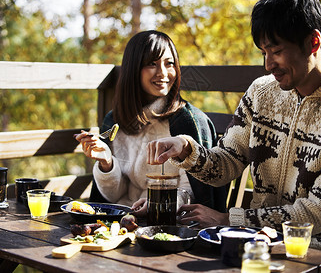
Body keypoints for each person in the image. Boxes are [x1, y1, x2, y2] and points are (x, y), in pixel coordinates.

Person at [146, 0, 321, 273]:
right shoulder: (261, 92)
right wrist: (187, 150)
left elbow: (314, 215)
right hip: (258, 245)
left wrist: (228, 219)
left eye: (277, 51)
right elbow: (224, 166)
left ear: (313, 42)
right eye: (264, 52)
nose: (269, 65)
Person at [75, 30, 228, 216]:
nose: (163, 73)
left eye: (169, 63)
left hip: (171, 221)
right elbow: (114, 197)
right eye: (152, 64)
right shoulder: (115, 121)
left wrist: (159, 201)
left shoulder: (189, 122)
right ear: (133, 68)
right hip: (123, 218)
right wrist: (106, 163)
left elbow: (195, 193)